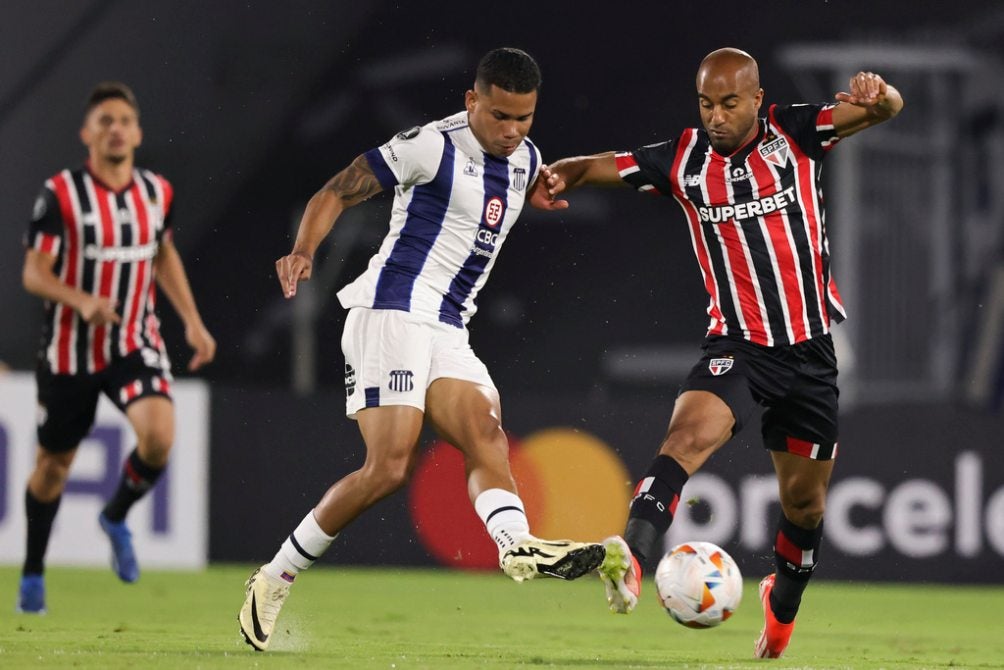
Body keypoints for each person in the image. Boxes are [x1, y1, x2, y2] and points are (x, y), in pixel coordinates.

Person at [531, 48, 903, 658]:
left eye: (730, 104)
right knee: (683, 441)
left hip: (810, 351)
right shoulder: (682, 161)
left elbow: (886, 108)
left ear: (757, 99)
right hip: (738, 344)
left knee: (804, 506)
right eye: (706, 104)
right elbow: (600, 166)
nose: (717, 117)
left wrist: (877, 92)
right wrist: (558, 175)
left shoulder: (800, 132)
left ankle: (780, 609)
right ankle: (629, 557)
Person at [237, 47, 605, 652]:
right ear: (471, 102)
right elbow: (338, 189)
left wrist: (537, 190)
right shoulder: (428, 146)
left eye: (525, 118)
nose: (512, 132)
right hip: (390, 311)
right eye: (499, 117)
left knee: (486, 430)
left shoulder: (526, 160)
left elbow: (518, 187)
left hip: (448, 327)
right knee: (389, 467)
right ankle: (274, 577)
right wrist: (305, 248)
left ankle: (516, 546)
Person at [18, 81, 216, 613]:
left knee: (158, 437)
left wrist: (193, 323)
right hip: (69, 351)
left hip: (133, 339)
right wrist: (80, 300)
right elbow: (34, 274)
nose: (115, 129)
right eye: (104, 120)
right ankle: (33, 572)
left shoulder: (157, 192)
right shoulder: (60, 193)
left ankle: (115, 515)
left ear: (137, 133)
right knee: (53, 468)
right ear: (87, 134)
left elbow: (163, 255)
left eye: (124, 120)